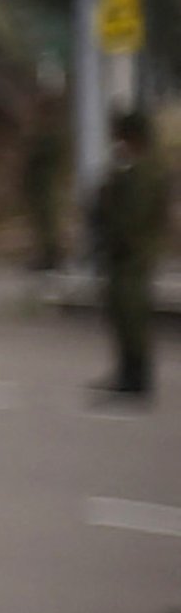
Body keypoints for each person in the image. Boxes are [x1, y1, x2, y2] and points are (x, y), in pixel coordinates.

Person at [91, 108, 167, 405]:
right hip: (124, 256)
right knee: (121, 314)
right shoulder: (131, 168)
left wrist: (108, 206)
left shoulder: (145, 172)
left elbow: (131, 218)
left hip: (133, 256)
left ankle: (136, 377)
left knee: (132, 316)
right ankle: (126, 372)